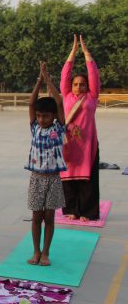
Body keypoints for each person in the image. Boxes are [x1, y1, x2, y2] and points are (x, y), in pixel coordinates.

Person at [26, 61, 66, 267]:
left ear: (53, 117)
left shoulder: (59, 128)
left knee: (49, 217)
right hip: (36, 178)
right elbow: (32, 104)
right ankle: (35, 250)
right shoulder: (34, 128)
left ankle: (46, 252)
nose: (41, 119)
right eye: (40, 116)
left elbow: (59, 103)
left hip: (53, 179)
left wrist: (49, 80)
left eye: (46, 116)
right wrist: (39, 81)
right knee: (36, 217)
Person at [60, 34, 100, 221]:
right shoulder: (66, 95)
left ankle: (87, 212)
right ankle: (71, 210)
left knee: (87, 181)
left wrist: (85, 53)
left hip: (87, 145)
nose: (78, 87)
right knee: (68, 179)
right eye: (75, 84)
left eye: (82, 84)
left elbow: (94, 76)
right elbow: (65, 75)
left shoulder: (92, 97)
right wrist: (73, 52)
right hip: (69, 144)